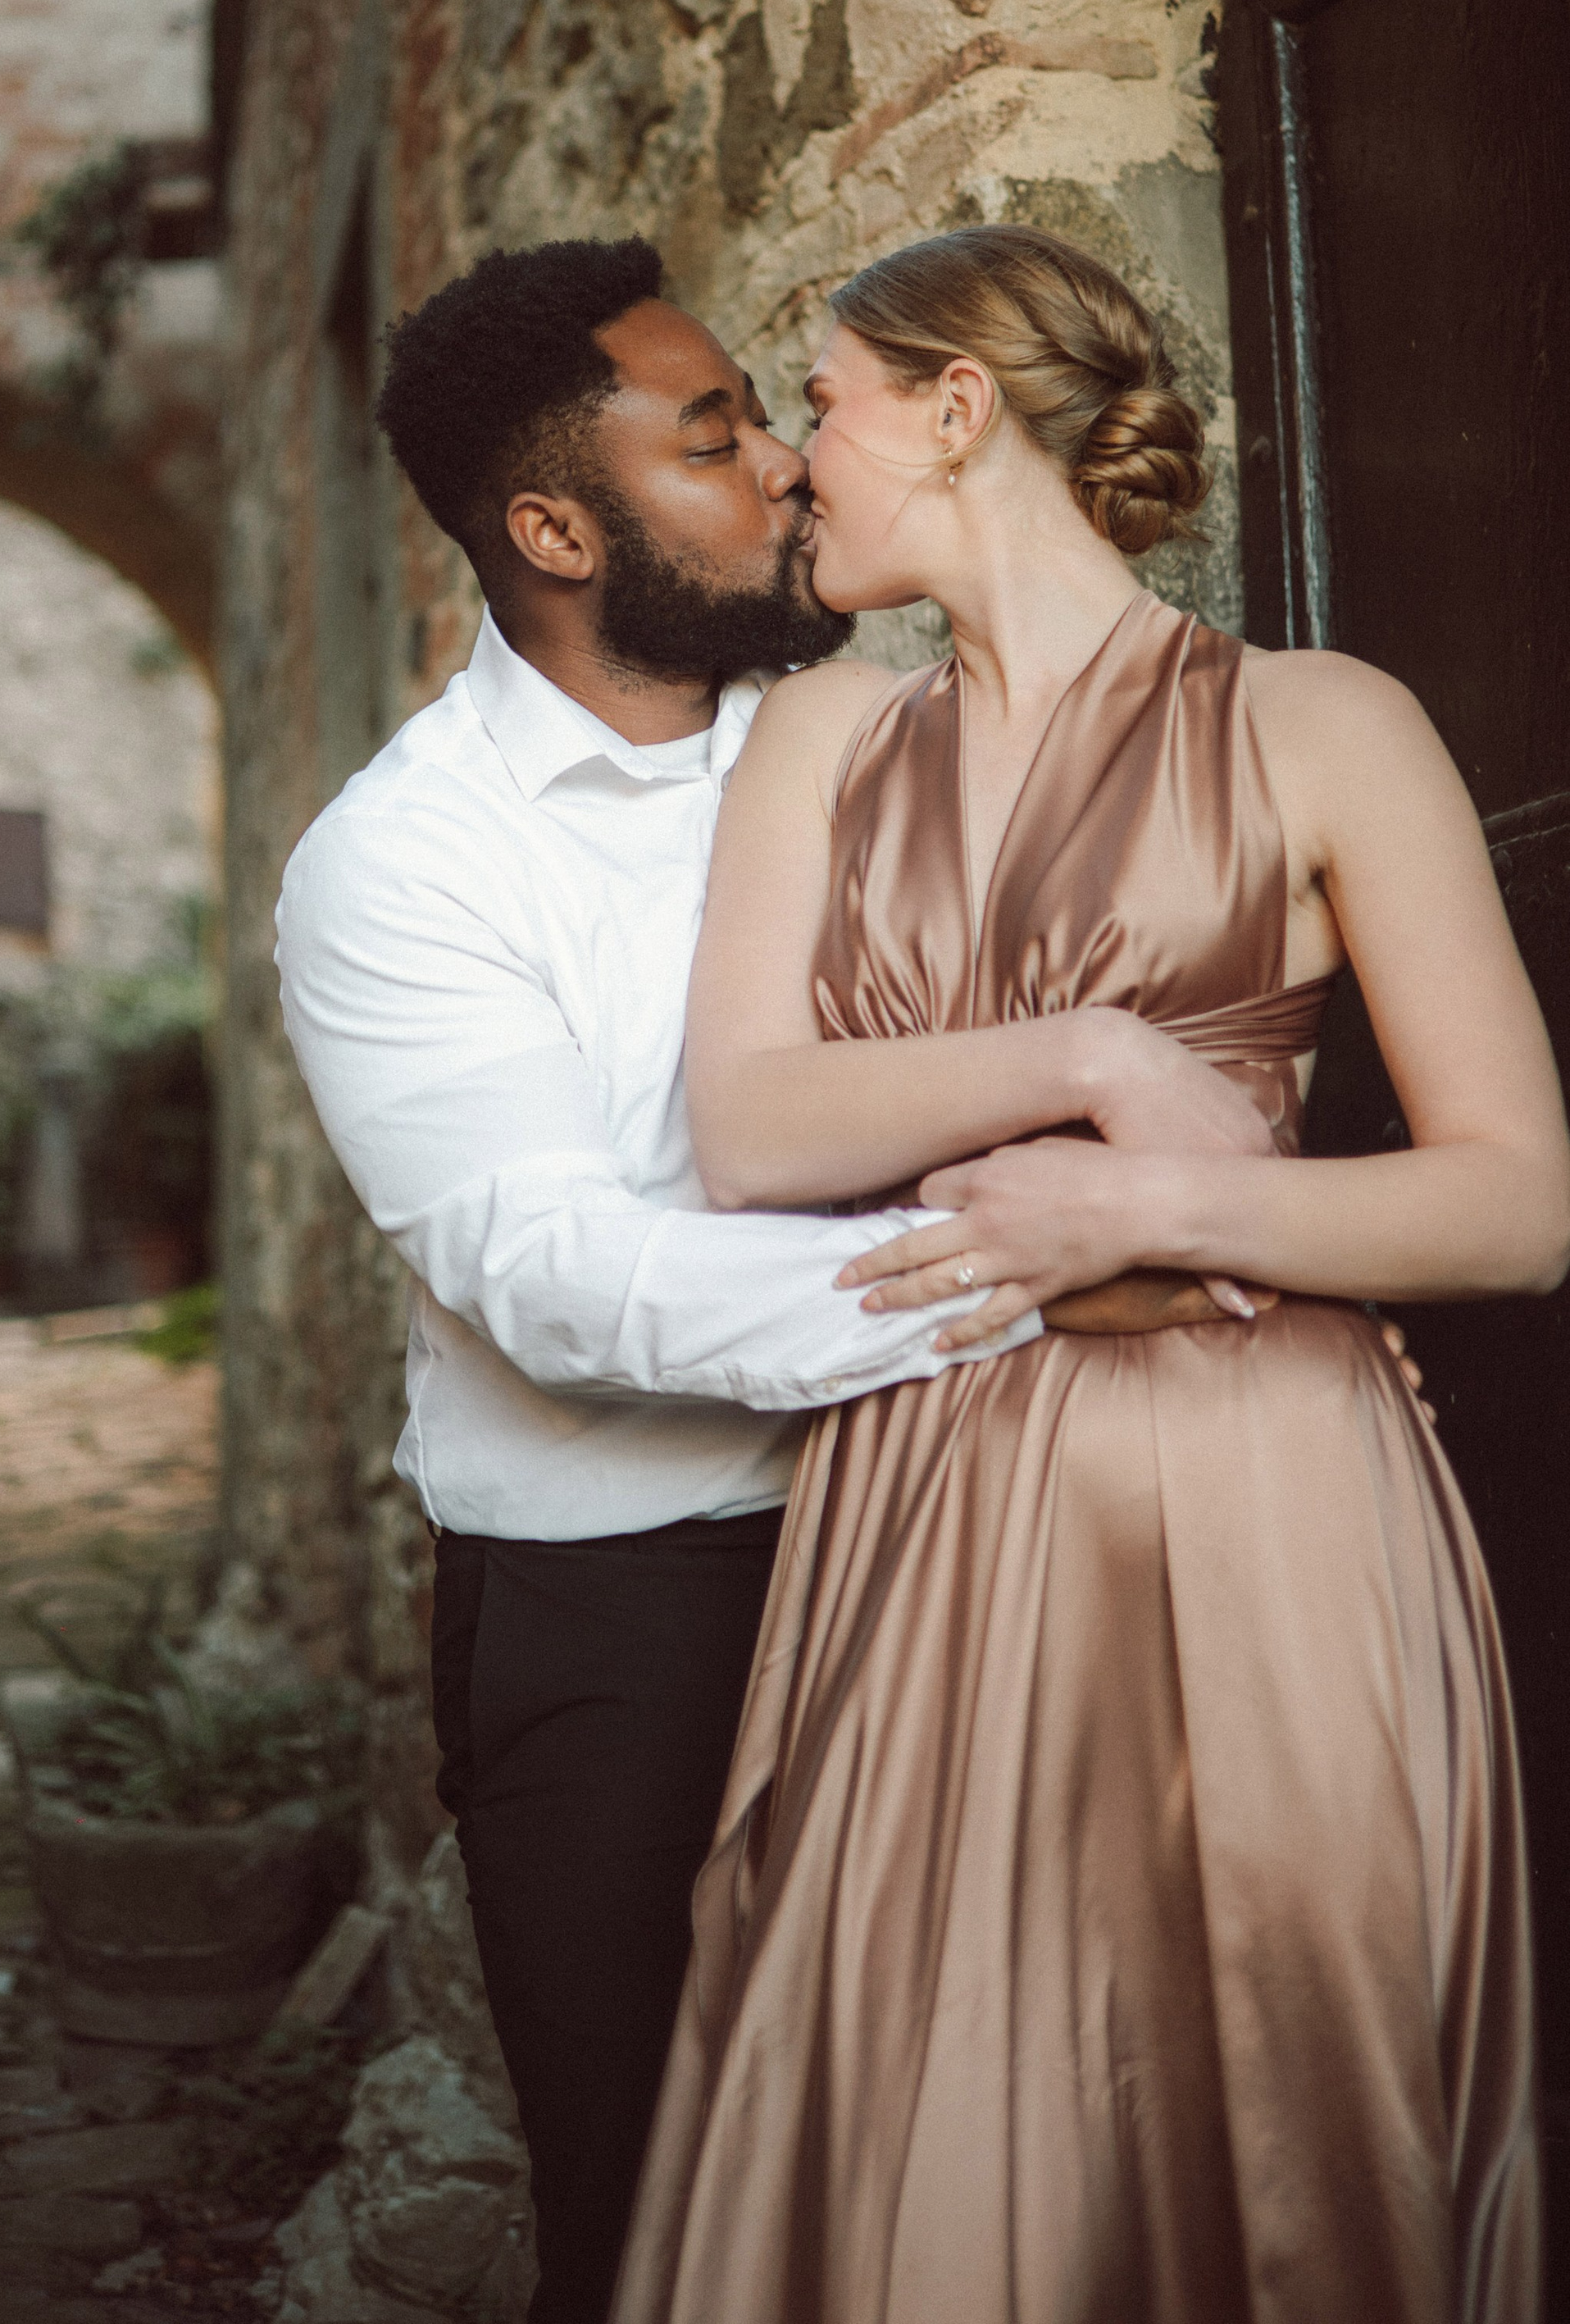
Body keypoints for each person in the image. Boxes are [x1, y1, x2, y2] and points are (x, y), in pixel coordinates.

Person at [275, 237, 1313, 2324]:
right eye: (709, 437)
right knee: (664, 2219)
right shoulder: (402, 864)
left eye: (766, 414)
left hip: (970, 1531)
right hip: (635, 1606)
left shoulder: (885, 742)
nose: (775, 469)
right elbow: (546, 1275)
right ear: (554, 529)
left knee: (972, 2194)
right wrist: (1025, 1274)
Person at [612, 224, 1568, 2324]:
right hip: (932, 1499)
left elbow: (1515, 1204)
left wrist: (1147, 1205)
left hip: (1266, 1512)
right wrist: (1092, 1060)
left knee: (1281, 2095)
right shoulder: (821, 744)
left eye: (825, 406)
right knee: (936, 2121)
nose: (790, 461)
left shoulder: (1326, 725)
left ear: (956, 413)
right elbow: (751, 1127)